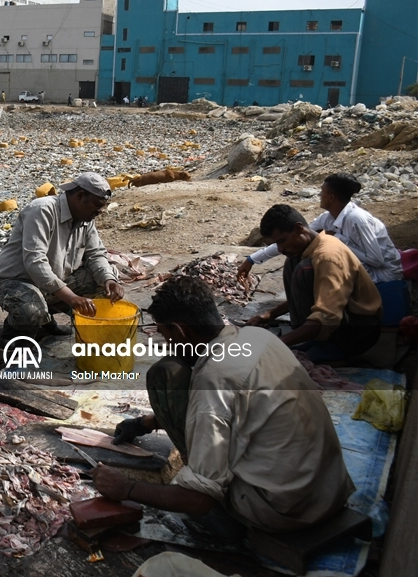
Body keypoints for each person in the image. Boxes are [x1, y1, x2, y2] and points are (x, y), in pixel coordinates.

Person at [91, 276, 354, 534]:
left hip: (285, 510)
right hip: (329, 488)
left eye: (166, 335)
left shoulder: (212, 380)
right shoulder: (258, 337)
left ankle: (232, 520)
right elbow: (239, 407)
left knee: (166, 372)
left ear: (181, 330)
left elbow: (199, 500)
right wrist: (144, 423)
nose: (168, 344)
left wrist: (126, 488)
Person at [0, 173, 123, 340]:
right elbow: (35, 261)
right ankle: (14, 335)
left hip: (52, 283)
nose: (100, 211)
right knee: (31, 311)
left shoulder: (86, 220)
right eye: (97, 205)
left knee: (104, 282)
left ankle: (47, 319)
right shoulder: (42, 210)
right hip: (16, 282)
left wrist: (109, 279)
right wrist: (72, 298)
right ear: (80, 196)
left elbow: (95, 254)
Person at [245, 204, 382, 361]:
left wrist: (278, 344)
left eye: (283, 241)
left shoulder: (327, 256)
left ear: (298, 229)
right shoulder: (315, 244)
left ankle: (331, 348)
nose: (281, 249)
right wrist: (269, 314)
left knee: (304, 269)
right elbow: (316, 295)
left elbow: (327, 316)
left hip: (359, 332)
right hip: (344, 320)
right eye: (277, 244)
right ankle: (316, 340)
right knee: (292, 262)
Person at [238, 173, 402, 285]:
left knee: (316, 267)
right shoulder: (327, 218)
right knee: (298, 257)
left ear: (331, 197)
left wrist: (339, 239)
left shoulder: (356, 219)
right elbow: (293, 236)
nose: (319, 195)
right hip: (366, 268)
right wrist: (252, 259)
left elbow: (376, 260)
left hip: (383, 275)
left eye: (322, 192)